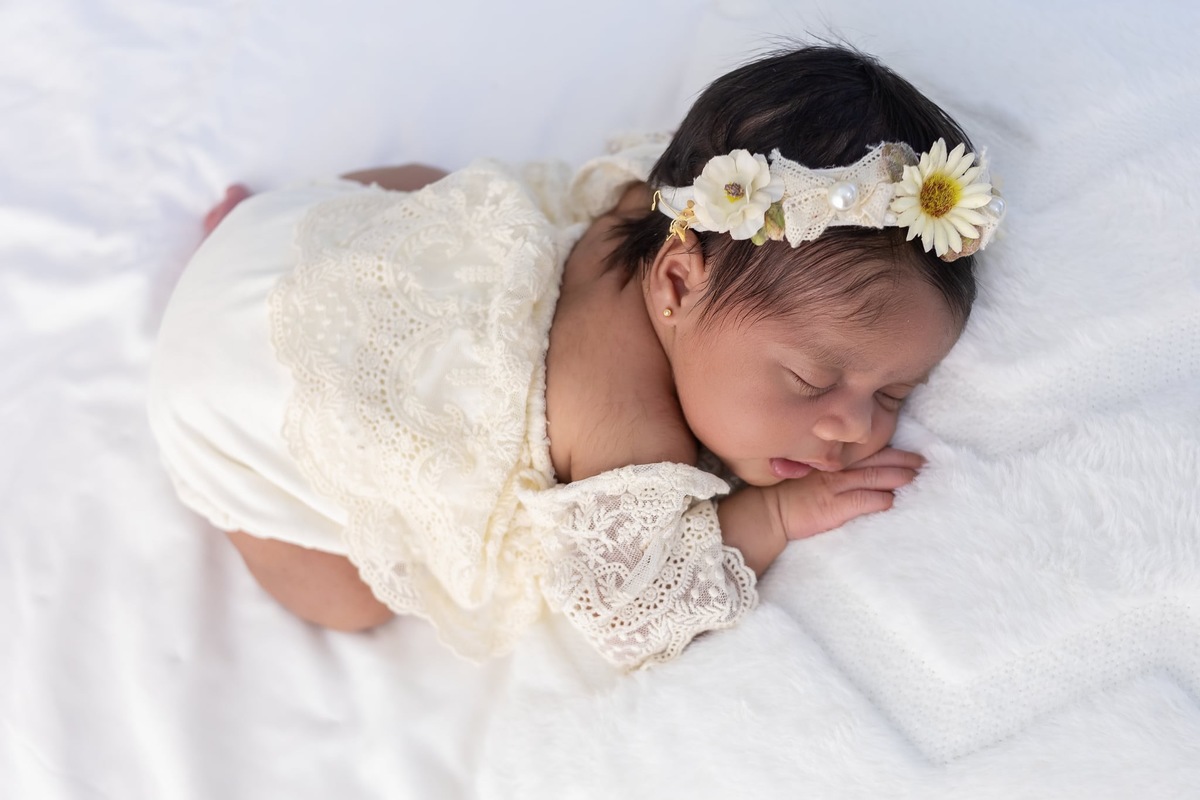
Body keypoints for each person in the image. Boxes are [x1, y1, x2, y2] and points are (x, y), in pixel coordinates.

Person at [147, 44, 1004, 670]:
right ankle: (239, 503)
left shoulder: (648, 204)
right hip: (225, 395)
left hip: (293, 245)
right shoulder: (625, 431)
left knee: (431, 188)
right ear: (677, 280)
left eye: (896, 391)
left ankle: (242, 233)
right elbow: (629, 608)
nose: (852, 425)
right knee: (345, 602)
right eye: (812, 379)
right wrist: (775, 517)